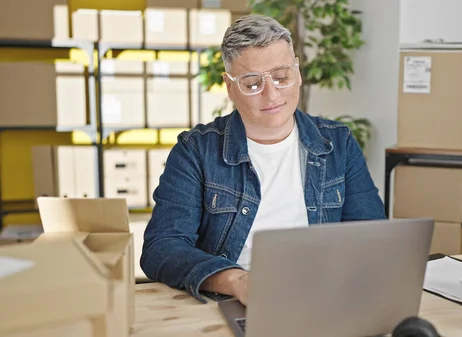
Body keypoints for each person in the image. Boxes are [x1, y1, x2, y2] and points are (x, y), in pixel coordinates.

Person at [140, 14, 386, 305]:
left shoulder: (338, 144)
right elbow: (162, 247)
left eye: (282, 77)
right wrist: (237, 280)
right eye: (252, 83)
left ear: (298, 73)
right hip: (232, 299)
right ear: (230, 87)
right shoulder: (196, 150)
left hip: (323, 296)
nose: (272, 94)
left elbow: (373, 237)